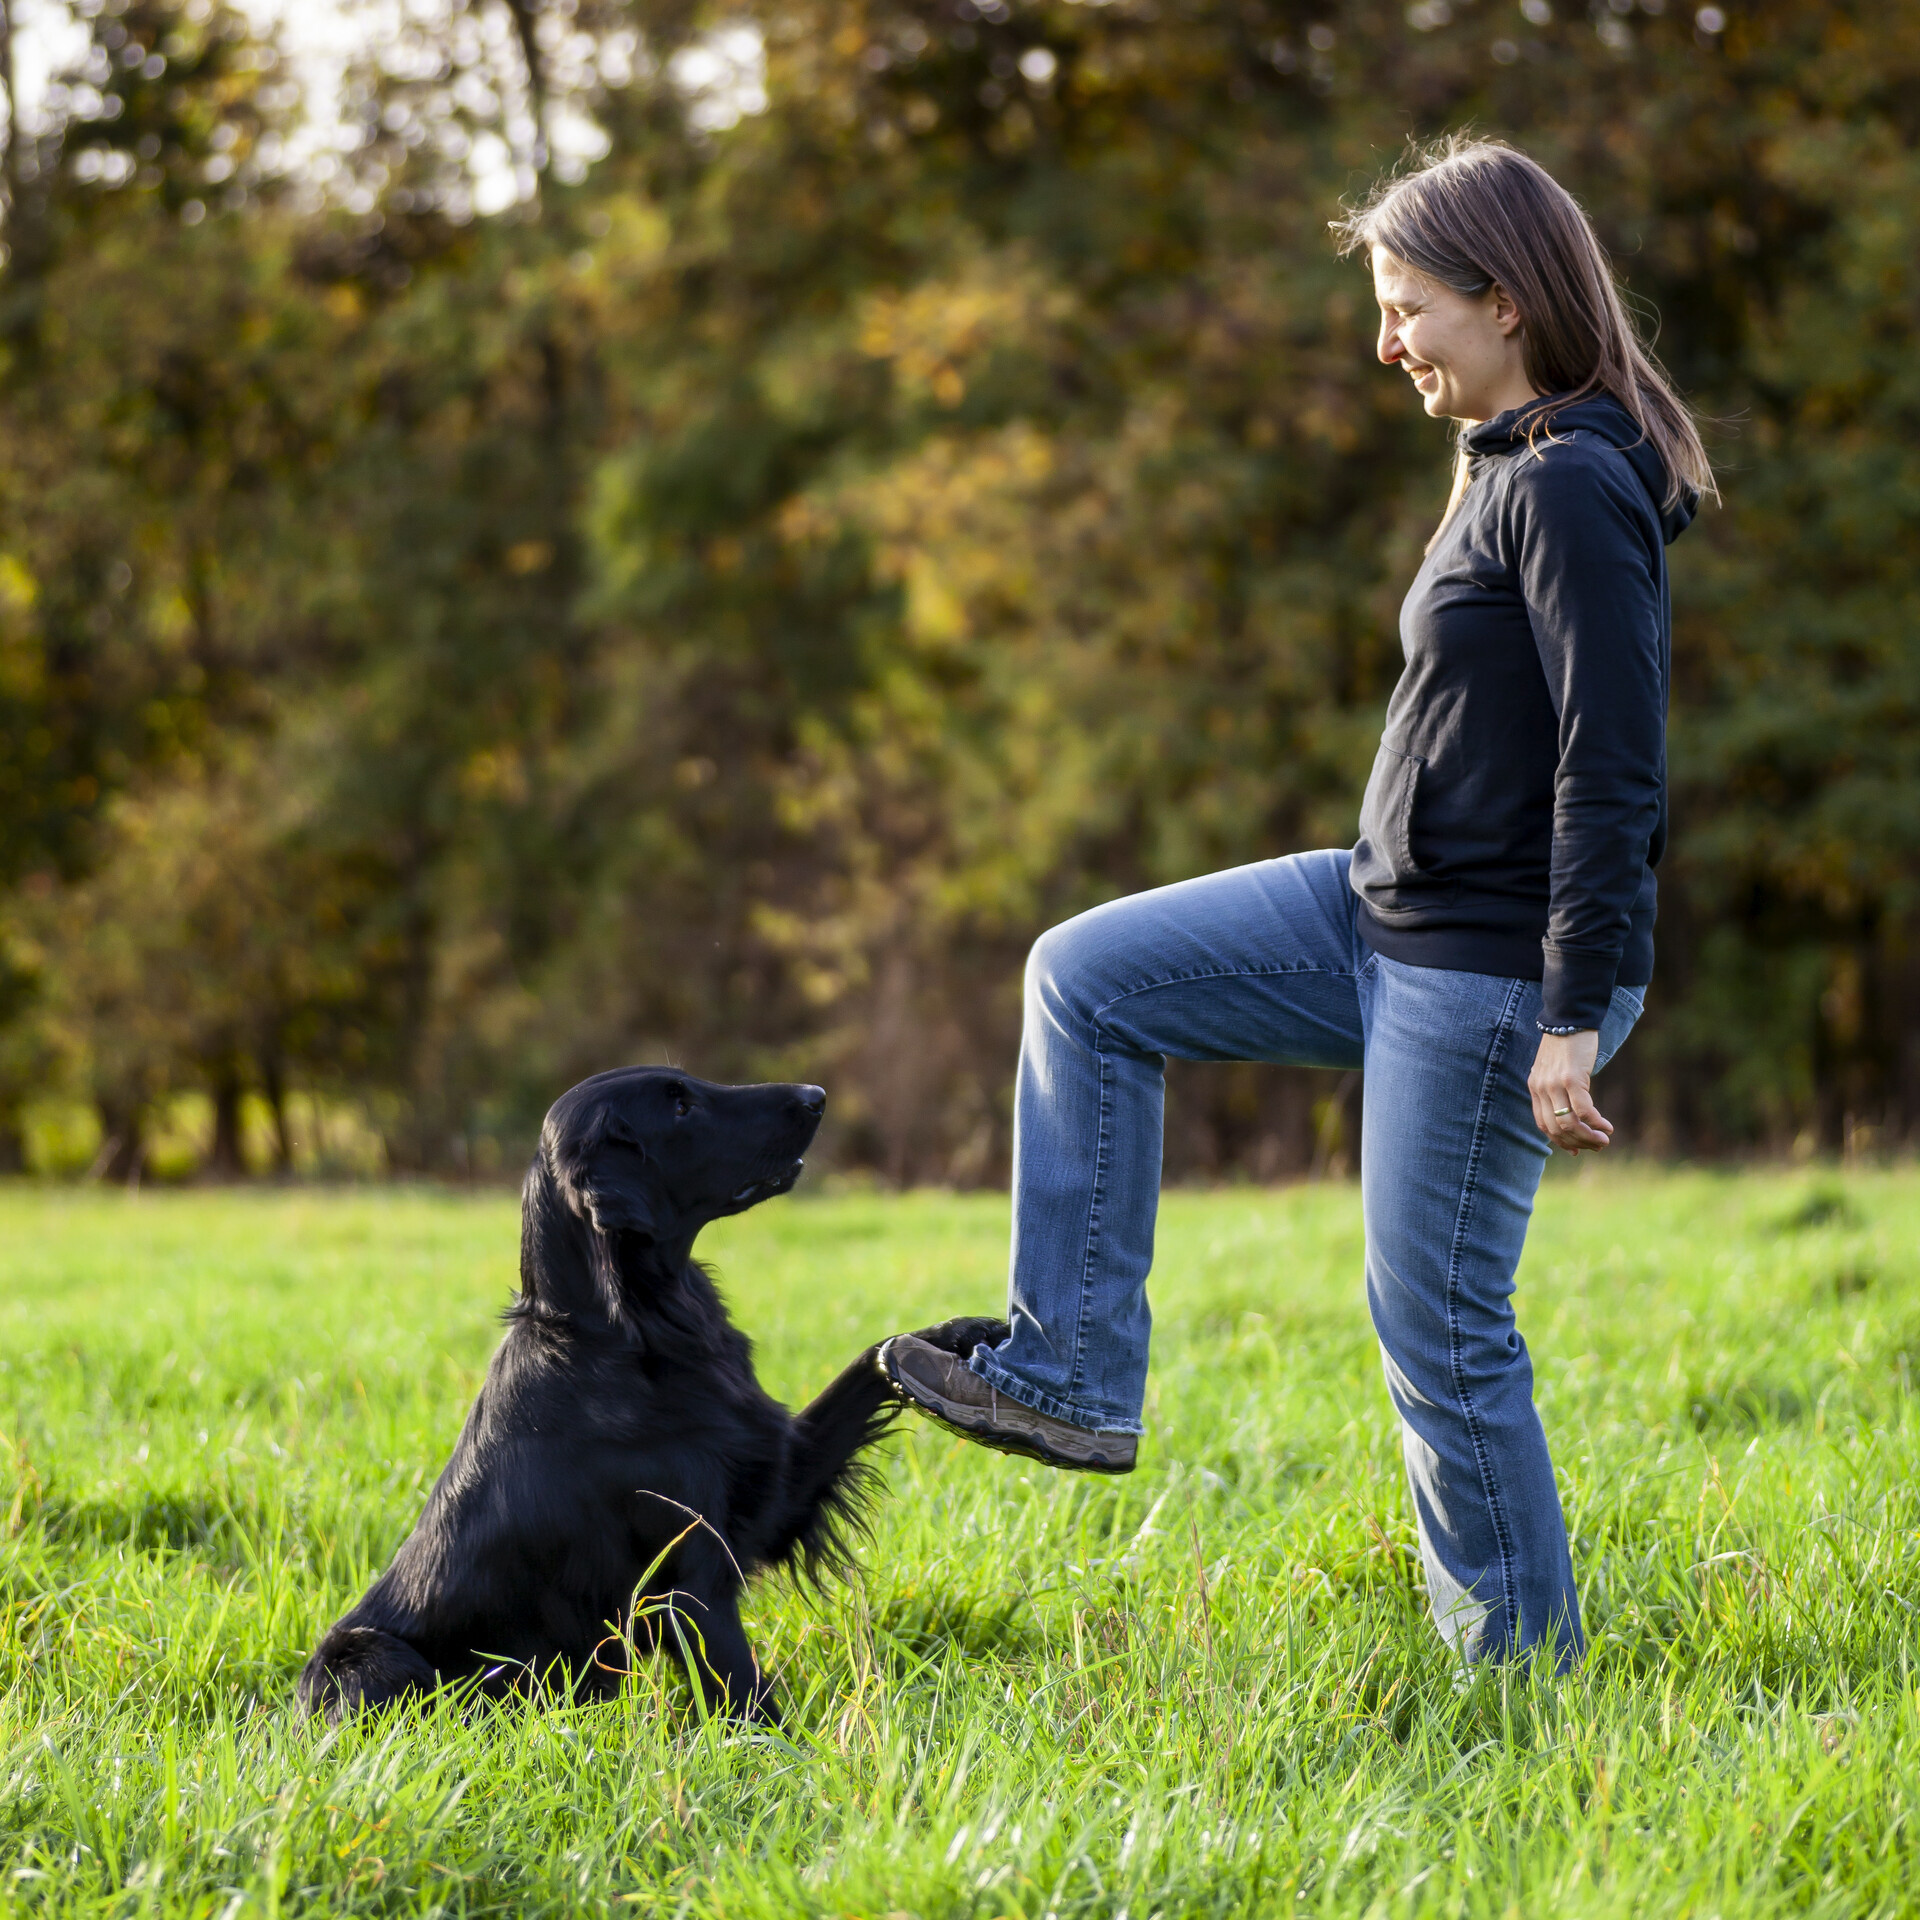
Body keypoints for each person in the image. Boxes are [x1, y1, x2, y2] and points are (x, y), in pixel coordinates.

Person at [877, 136, 1714, 1672]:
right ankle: (1068, 1372)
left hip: (1486, 969)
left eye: (1407, 308)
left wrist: (1575, 1011)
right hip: (1371, 914)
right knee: (1085, 977)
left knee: (1442, 1337)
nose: (1384, 341)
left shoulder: (1578, 486)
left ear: (1506, 302)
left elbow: (1617, 768)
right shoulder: (1507, 462)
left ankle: (1522, 1680)